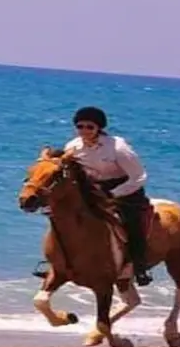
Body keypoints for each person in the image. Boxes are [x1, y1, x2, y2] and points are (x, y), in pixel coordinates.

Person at [64, 106, 152, 286]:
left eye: (90, 127)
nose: (84, 131)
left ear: (99, 128)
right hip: (94, 189)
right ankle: (62, 262)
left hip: (125, 189)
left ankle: (140, 267)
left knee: (132, 222)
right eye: (80, 126)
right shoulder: (72, 147)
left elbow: (139, 177)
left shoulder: (118, 148)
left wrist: (113, 194)